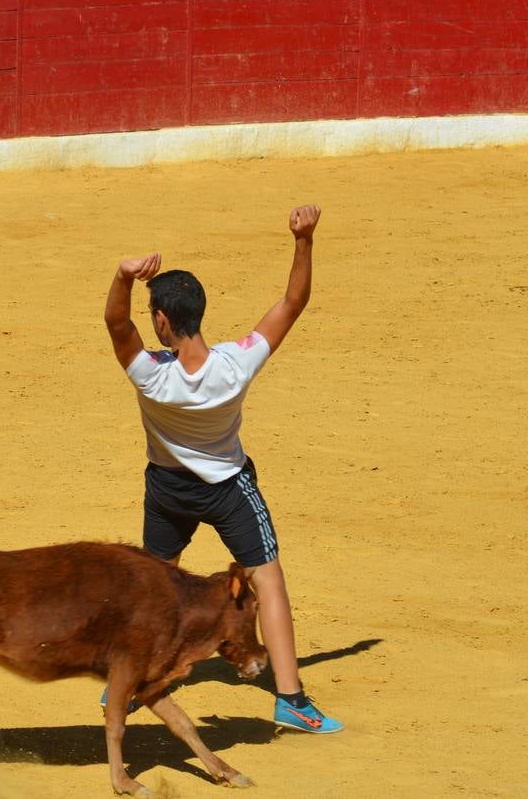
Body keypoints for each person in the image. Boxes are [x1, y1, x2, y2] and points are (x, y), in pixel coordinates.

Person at [102, 206, 343, 735]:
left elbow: (116, 323)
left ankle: (127, 680)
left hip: (166, 489)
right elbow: (292, 302)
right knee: (268, 581)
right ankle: (292, 700)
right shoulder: (236, 364)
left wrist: (123, 276)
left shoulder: (150, 377)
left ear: (162, 320)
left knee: (154, 588)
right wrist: (304, 240)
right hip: (229, 490)